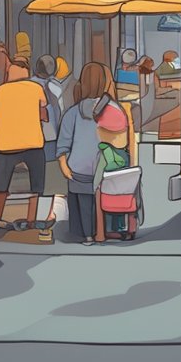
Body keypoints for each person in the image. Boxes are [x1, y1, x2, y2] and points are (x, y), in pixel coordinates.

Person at [57, 63, 121, 246]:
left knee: (82, 200)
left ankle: (87, 235)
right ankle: (107, 229)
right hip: (106, 167)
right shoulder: (112, 110)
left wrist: (64, 164)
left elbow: (63, 143)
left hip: (77, 169)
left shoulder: (72, 112)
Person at [0, 59, 51, 239]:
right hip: (32, 142)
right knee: (35, 185)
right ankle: (30, 219)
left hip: (4, 145)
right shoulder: (35, 88)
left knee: (1, 186)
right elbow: (44, 112)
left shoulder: (0, 91)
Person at [94, 104, 137, 241]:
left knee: (98, 188)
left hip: (107, 198)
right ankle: (126, 228)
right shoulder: (126, 155)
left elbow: (97, 177)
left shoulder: (103, 152)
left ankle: (102, 232)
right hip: (126, 197)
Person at [34, 56, 63, 162]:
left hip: (42, 135)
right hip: (50, 135)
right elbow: (61, 110)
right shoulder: (57, 87)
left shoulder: (29, 85)